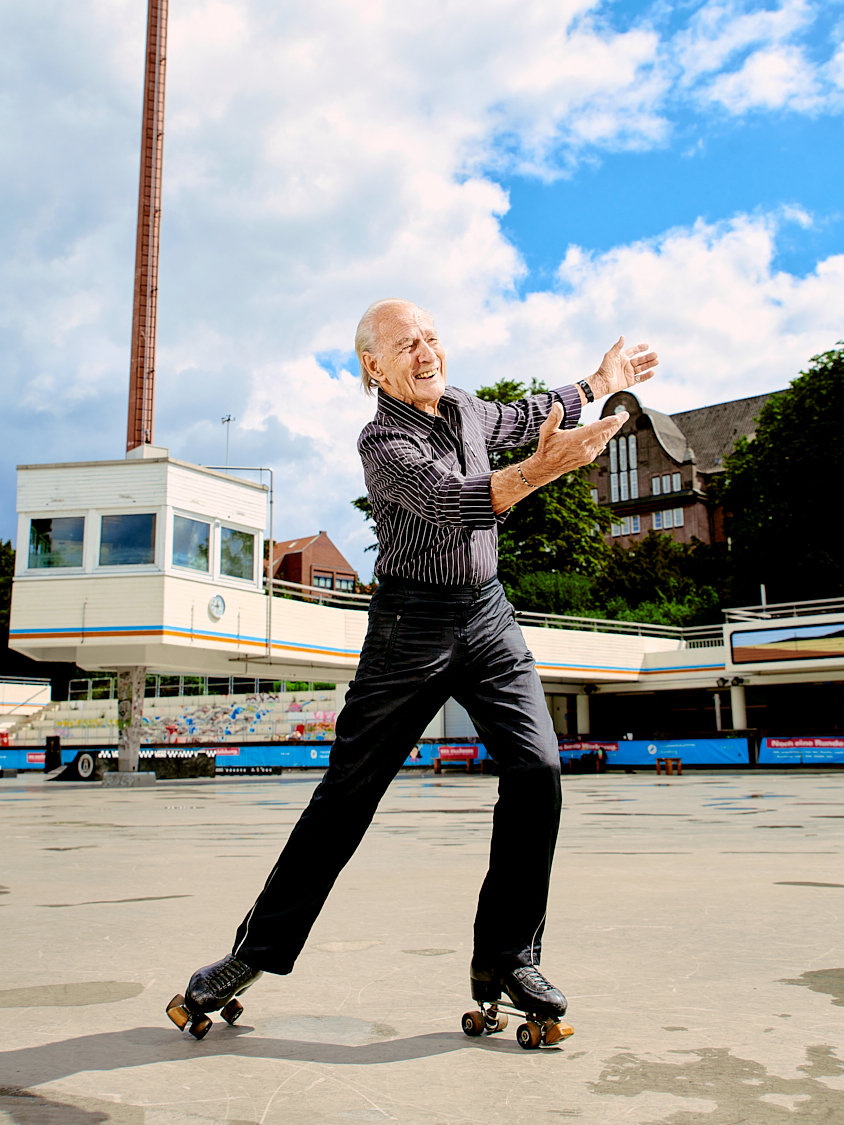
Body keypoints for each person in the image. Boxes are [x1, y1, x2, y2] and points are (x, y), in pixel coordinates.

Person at [170, 298, 658, 1038]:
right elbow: (459, 501)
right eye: (406, 345)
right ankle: (251, 954)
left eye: (431, 337)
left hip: (488, 614)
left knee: (538, 769)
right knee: (347, 797)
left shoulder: (461, 405)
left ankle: (506, 959)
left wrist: (595, 380)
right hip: (411, 626)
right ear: (373, 366)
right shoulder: (382, 443)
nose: (426, 352)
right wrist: (539, 472)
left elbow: (527, 415)